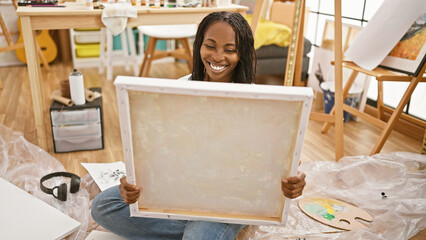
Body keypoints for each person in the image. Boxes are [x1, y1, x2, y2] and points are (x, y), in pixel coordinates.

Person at [92, 11, 306, 240]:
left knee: (200, 235)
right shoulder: (179, 90)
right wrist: (133, 182)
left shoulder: (257, 102)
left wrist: (290, 180)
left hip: (229, 198)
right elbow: (157, 149)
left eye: (230, 50)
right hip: (181, 187)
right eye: (210, 46)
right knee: (103, 206)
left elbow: (274, 160)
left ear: (242, 54)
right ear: (199, 46)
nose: (218, 56)